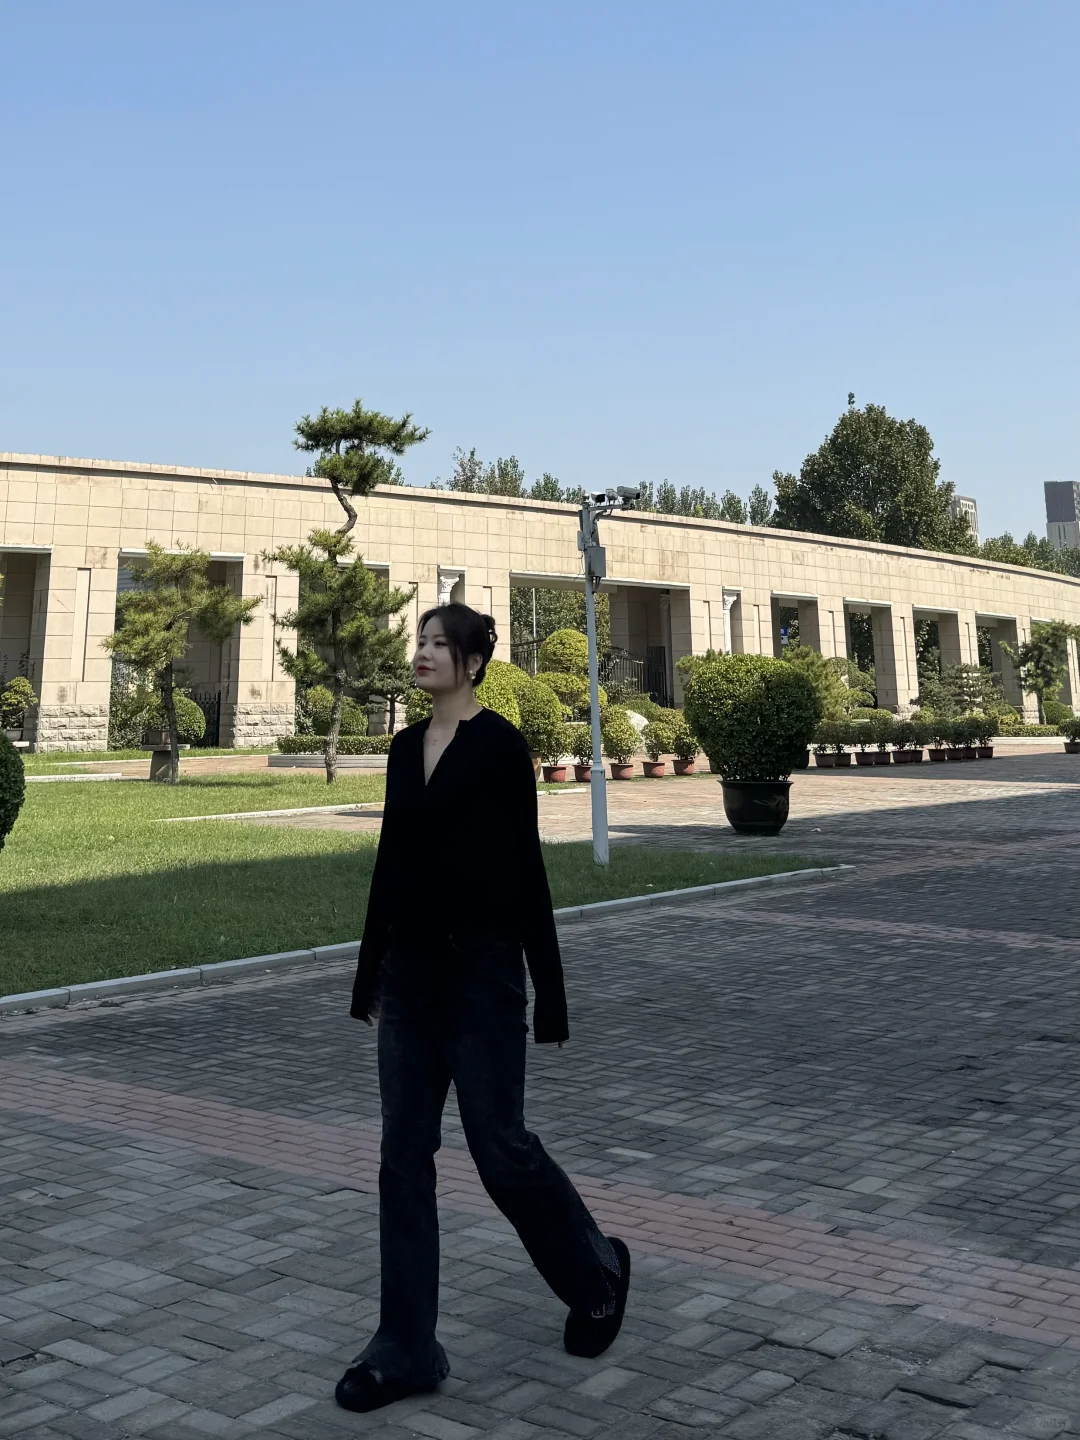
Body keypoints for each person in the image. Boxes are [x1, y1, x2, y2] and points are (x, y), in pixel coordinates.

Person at [335, 602, 630, 1414]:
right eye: (421, 641)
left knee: (500, 1149)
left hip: (482, 980)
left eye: (440, 644)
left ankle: (597, 1273)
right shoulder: (403, 749)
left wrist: (551, 993)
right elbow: (391, 863)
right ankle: (405, 1348)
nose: (424, 652)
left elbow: (525, 872)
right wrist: (369, 973)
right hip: (409, 979)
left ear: (472, 663)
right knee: (402, 1156)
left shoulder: (500, 747)